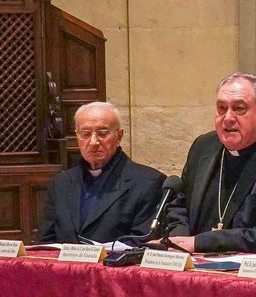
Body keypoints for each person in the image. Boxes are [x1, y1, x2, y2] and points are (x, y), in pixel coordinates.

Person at [165, 73, 256, 254]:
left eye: (239, 108)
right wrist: (178, 240)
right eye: (221, 108)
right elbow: (178, 206)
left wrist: (200, 242)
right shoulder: (203, 147)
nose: (228, 117)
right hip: (191, 264)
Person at [37, 102, 169, 245]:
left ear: (119, 136)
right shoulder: (60, 183)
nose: (93, 142)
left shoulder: (148, 183)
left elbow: (143, 242)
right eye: (85, 134)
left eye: (102, 134)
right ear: (77, 137)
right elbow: (45, 242)